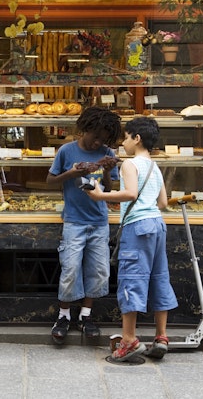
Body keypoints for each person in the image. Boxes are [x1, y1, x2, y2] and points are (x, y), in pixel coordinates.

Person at [86, 117, 178, 361]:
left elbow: (130, 193)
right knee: (159, 278)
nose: (123, 142)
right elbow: (163, 203)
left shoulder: (130, 164)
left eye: (126, 137)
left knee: (132, 279)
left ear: (137, 138)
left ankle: (129, 341)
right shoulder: (155, 166)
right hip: (157, 225)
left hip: (137, 227)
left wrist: (100, 196)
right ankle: (161, 337)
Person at [46, 106, 121, 344]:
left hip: (99, 222)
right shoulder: (67, 151)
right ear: (85, 128)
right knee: (70, 269)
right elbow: (50, 181)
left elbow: (109, 190)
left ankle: (86, 316)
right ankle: (64, 315)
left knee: (98, 271)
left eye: (103, 139)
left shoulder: (107, 152)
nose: (97, 142)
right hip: (74, 221)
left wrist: (107, 171)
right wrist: (72, 172)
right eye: (95, 136)